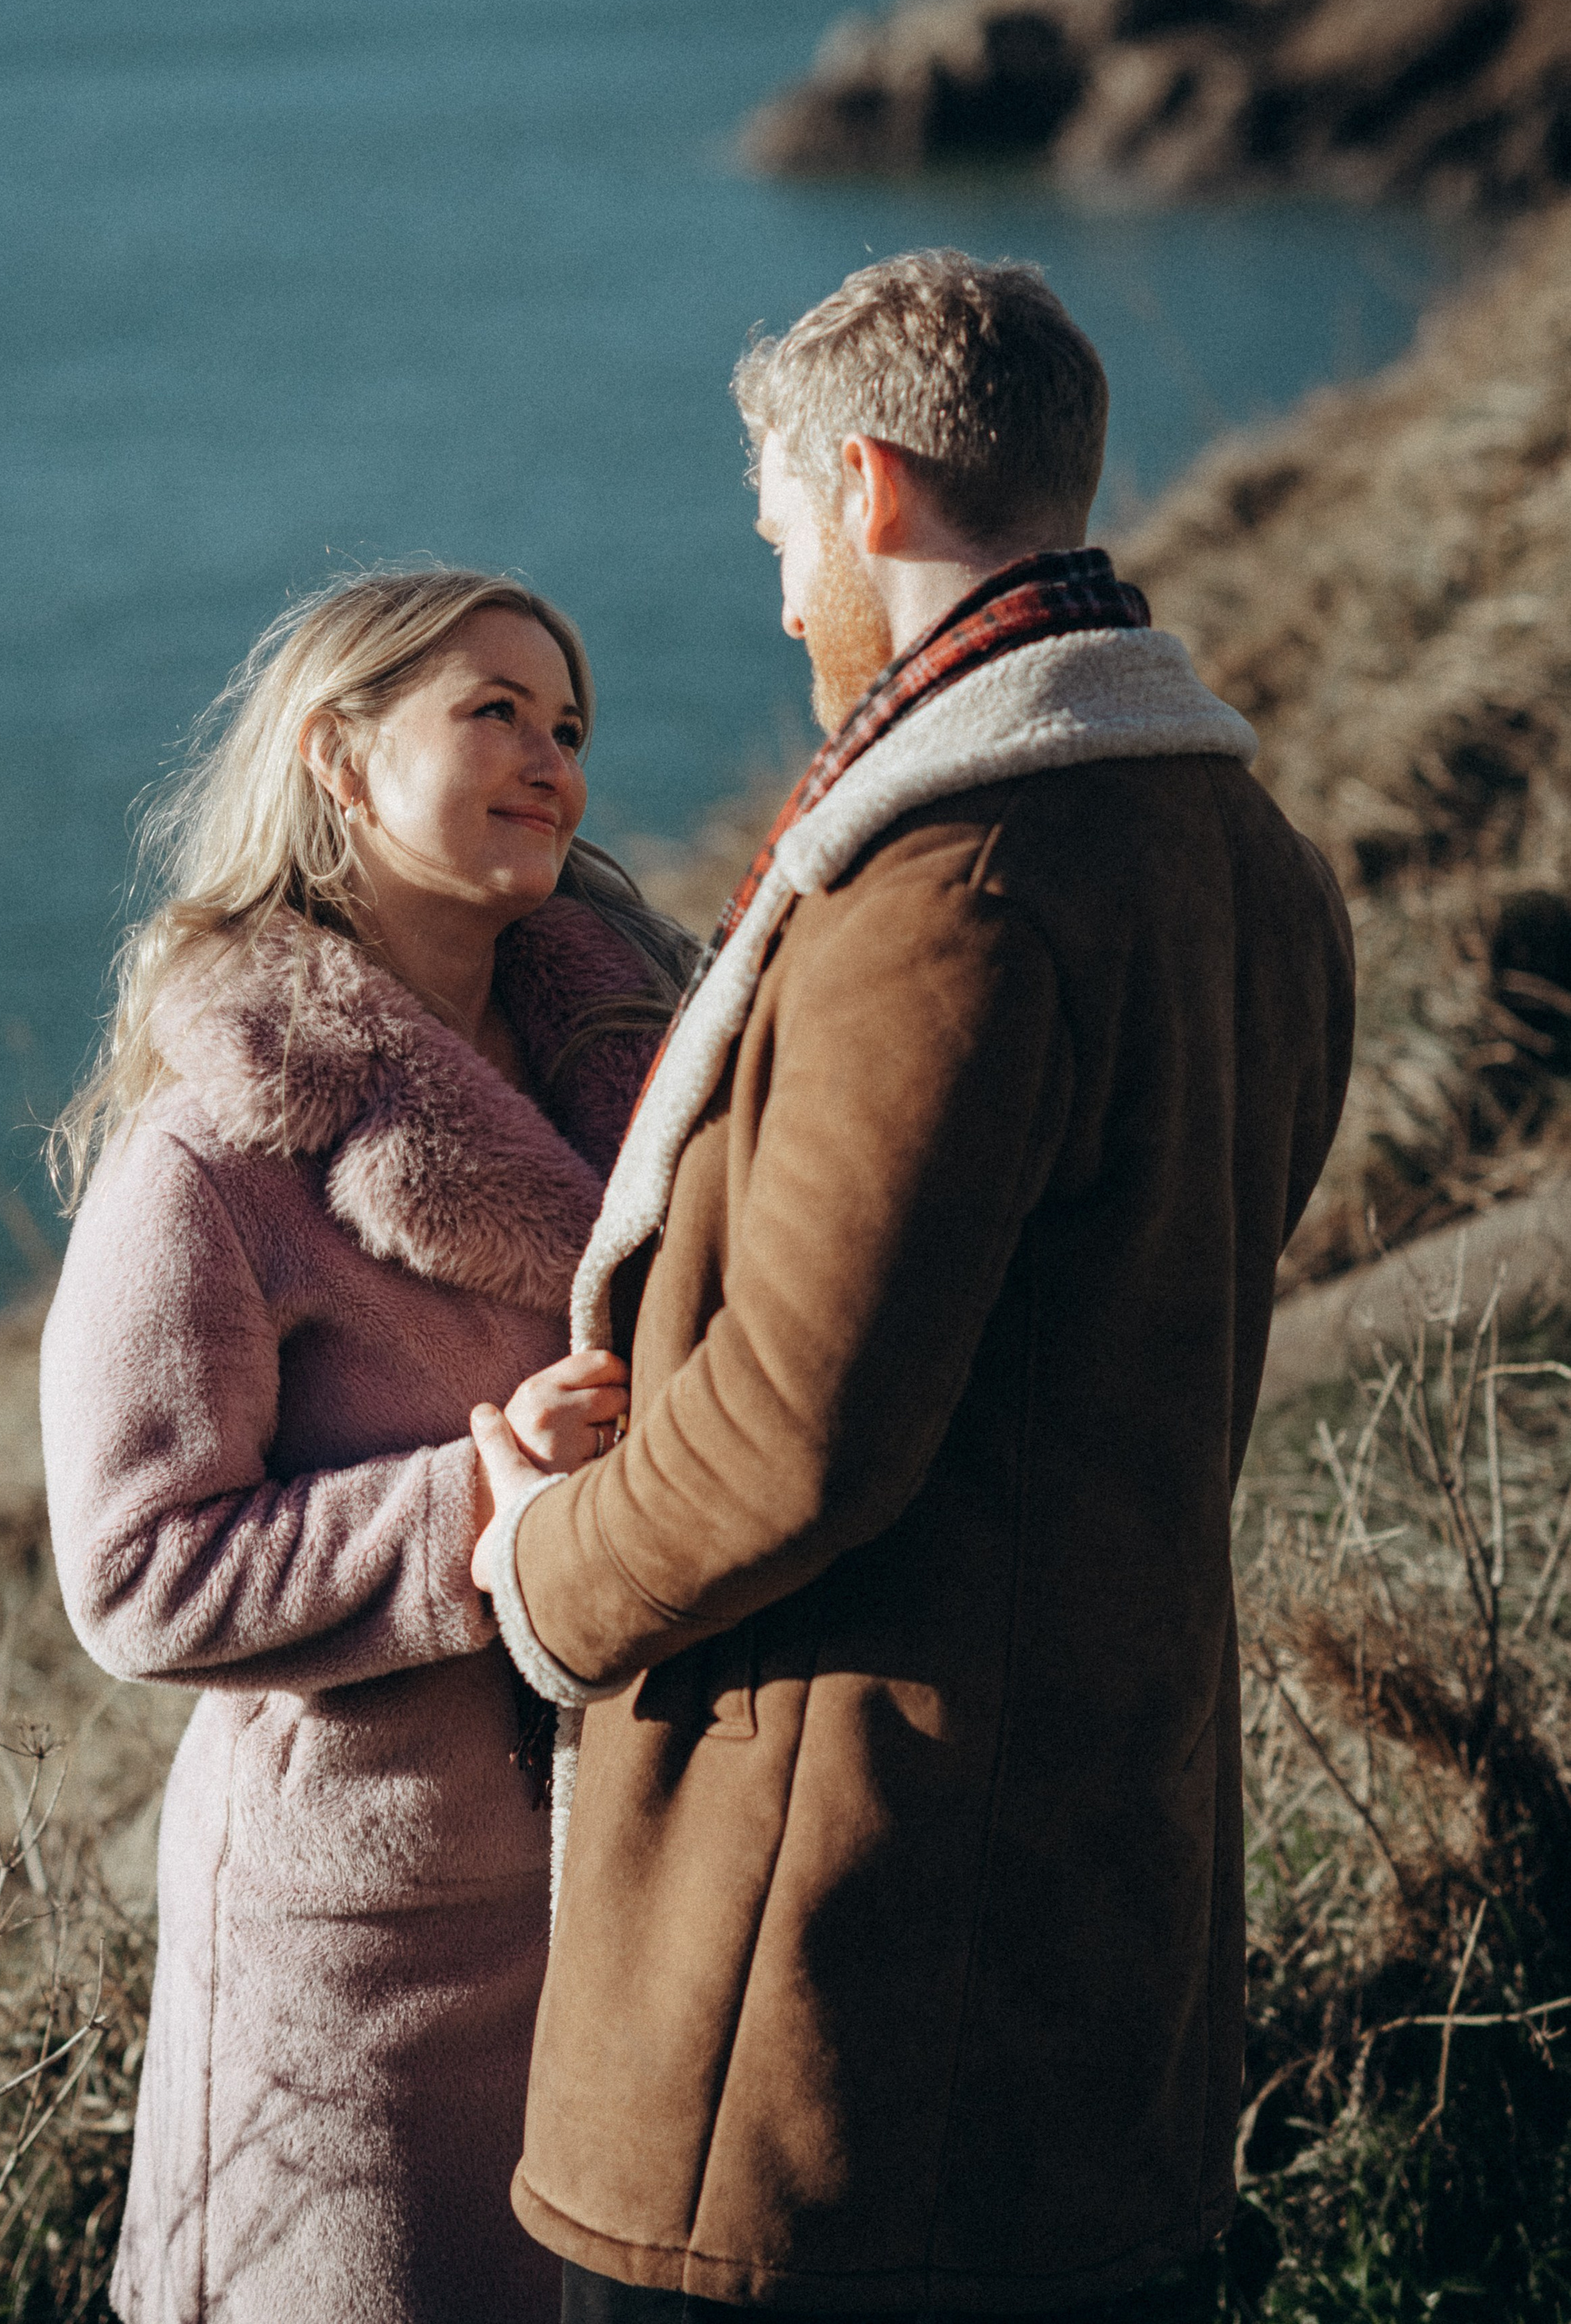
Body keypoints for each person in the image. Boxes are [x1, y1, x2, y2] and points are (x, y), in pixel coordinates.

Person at [472, 252, 1356, 2322]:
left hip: (836, 1994)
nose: (783, 589)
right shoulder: (1252, 856)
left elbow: (793, 1434)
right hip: (1103, 1921)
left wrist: (541, 1574)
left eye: (780, 521)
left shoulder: (951, 889)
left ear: (864, 488)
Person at [39, 569, 693, 2324]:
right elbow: (130, 1575)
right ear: (336, 753)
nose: (550, 758)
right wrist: (486, 1501)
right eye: (492, 710)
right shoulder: (208, 1161)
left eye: (567, 727)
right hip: (364, 1957)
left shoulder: (657, 1077)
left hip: (637, 1896)